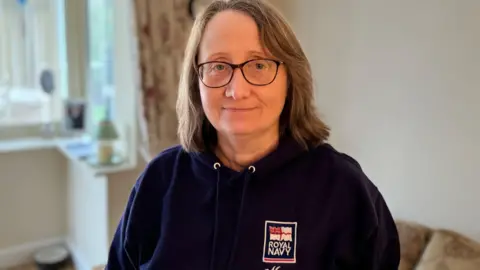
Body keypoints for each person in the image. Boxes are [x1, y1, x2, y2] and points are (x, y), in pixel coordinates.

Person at [106, 0, 400, 269]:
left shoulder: (342, 188)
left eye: (259, 65)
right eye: (218, 66)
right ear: (196, 81)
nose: (237, 90)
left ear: (290, 78)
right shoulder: (161, 179)